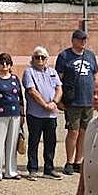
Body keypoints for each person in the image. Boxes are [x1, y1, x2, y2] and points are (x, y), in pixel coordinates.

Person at [55, 29, 98, 175]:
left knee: (84, 132)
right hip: (73, 101)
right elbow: (58, 80)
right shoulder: (64, 56)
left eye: (85, 39)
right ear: (73, 40)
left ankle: (78, 161)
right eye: (80, 39)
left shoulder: (90, 55)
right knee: (73, 131)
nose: (83, 42)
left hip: (88, 101)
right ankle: (69, 161)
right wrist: (59, 100)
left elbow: (94, 77)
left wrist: (96, 96)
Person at [22, 46, 63, 180]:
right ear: (32, 59)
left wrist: (54, 103)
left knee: (50, 142)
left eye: (43, 57)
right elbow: (31, 91)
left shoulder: (52, 71)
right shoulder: (29, 72)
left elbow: (59, 88)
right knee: (34, 141)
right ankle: (32, 169)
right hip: (35, 113)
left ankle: (49, 169)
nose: (40, 59)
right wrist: (45, 105)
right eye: (37, 57)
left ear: (47, 59)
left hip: (51, 114)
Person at [0, 53, 25, 181]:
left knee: (12, 144)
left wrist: (22, 114)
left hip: (15, 114)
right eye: (2, 62)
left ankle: (11, 171)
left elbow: (20, 97)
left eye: (7, 62)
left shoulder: (14, 78)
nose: (5, 65)